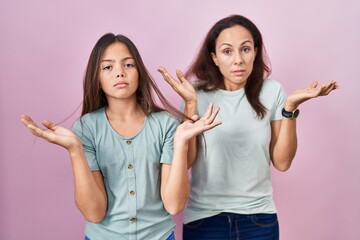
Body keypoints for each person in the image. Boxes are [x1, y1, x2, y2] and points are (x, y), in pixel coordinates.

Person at [20, 33, 221, 240]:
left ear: (139, 73)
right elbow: (93, 213)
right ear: (97, 79)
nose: (119, 73)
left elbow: (174, 205)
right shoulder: (86, 128)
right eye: (108, 67)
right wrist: (75, 151)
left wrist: (180, 143)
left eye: (128, 65)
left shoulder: (166, 124)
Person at [158, 14, 339, 240]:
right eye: (227, 51)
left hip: (259, 219)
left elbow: (282, 162)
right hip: (204, 219)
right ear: (214, 57)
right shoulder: (196, 94)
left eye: (245, 49)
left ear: (255, 51)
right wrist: (192, 105)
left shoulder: (272, 92)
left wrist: (290, 108)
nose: (238, 60)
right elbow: (186, 162)